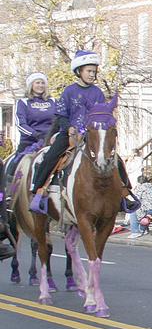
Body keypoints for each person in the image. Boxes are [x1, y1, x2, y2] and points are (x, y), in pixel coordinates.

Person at [29, 51, 139, 214]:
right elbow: (61, 115)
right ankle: (37, 190)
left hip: (91, 135)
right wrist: (69, 128)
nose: (91, 74)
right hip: (69, 134)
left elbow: (102, 115)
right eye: (88, 71)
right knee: (51, 156)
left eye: (94, 72)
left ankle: (124, 194)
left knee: (116, 159)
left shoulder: (98, 93)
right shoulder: (69, 91)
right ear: (79, 71)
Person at [7, 72, 57, 179]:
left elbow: (59, 119)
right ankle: (9, 189)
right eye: (37, 83)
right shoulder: (23, 102)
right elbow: (20, 124)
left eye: (42, 83)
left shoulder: (53, 101)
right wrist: (36, 134)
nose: (40, 85)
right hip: (30, 141)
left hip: (51, 140)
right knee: (15, 163)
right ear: (31, 85)